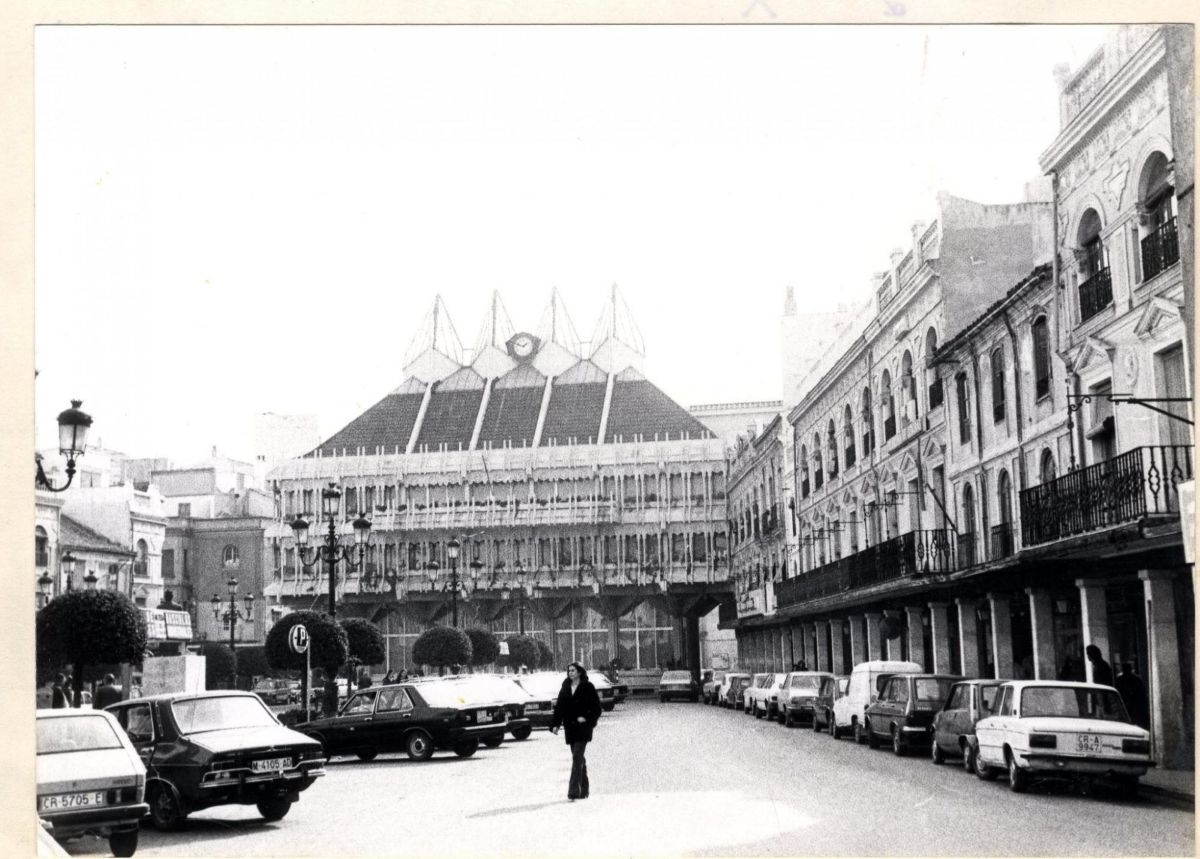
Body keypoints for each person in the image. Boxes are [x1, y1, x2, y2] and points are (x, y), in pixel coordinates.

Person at [550, 662, 602, 802]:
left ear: (579, 672)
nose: (570, 673)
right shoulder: (565, 687)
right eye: (569, 670)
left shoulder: (588, 687)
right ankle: (584, 790)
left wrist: (586, 719)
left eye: (573, 670)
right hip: (570, 728)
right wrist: (555, 724)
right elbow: (559, 707)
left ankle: (573, 791)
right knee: (579, 758)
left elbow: (597, 708)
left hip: (583, 728)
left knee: (577, 756)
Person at [1115, 662, 1150, 729]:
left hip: (1135, 705)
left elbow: (1142, 694)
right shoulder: (1121, 680)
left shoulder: (1135, 680)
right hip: (1126, 704)